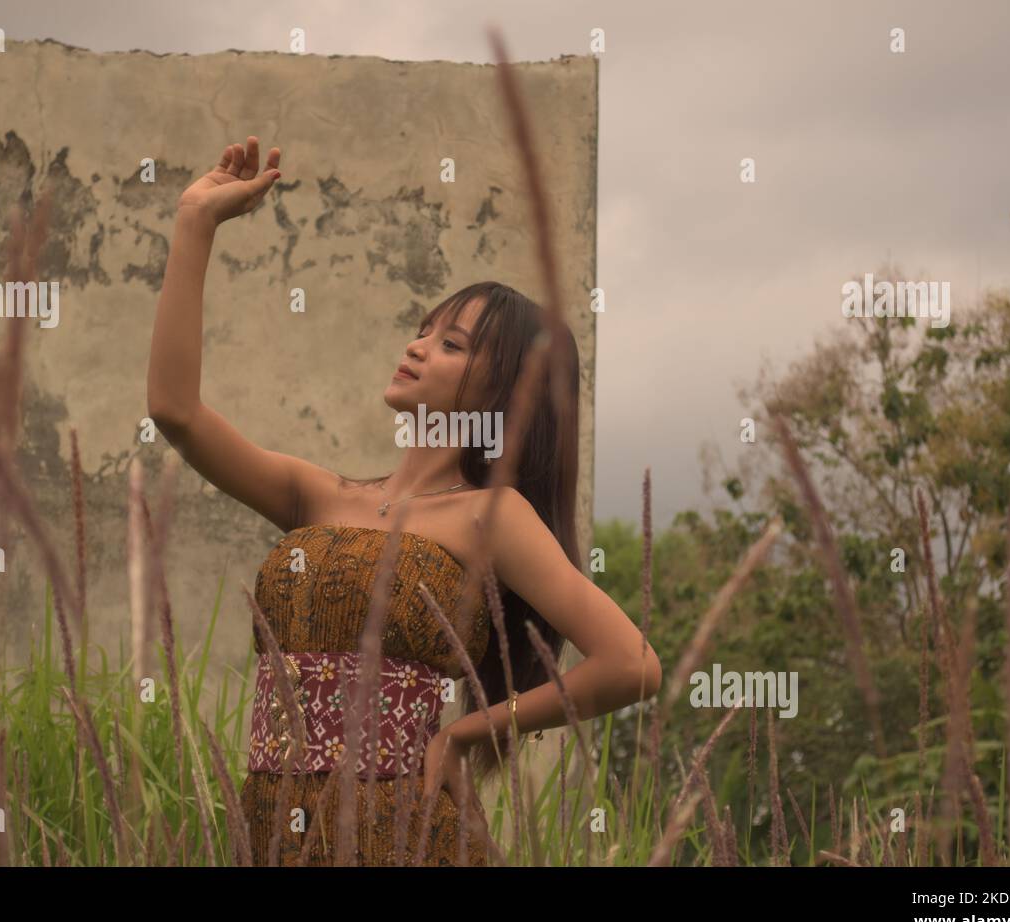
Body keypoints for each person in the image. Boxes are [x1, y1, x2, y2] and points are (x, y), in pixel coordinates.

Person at [147, 136, 662, 866]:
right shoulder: (316, 493)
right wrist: (195, 223)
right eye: (423, 330)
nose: (418, 346)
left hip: (401, 831)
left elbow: (633, 663)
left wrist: (468, 731)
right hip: (271, 824)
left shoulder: (491, 515)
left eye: (451, 344)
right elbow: (175, 411)